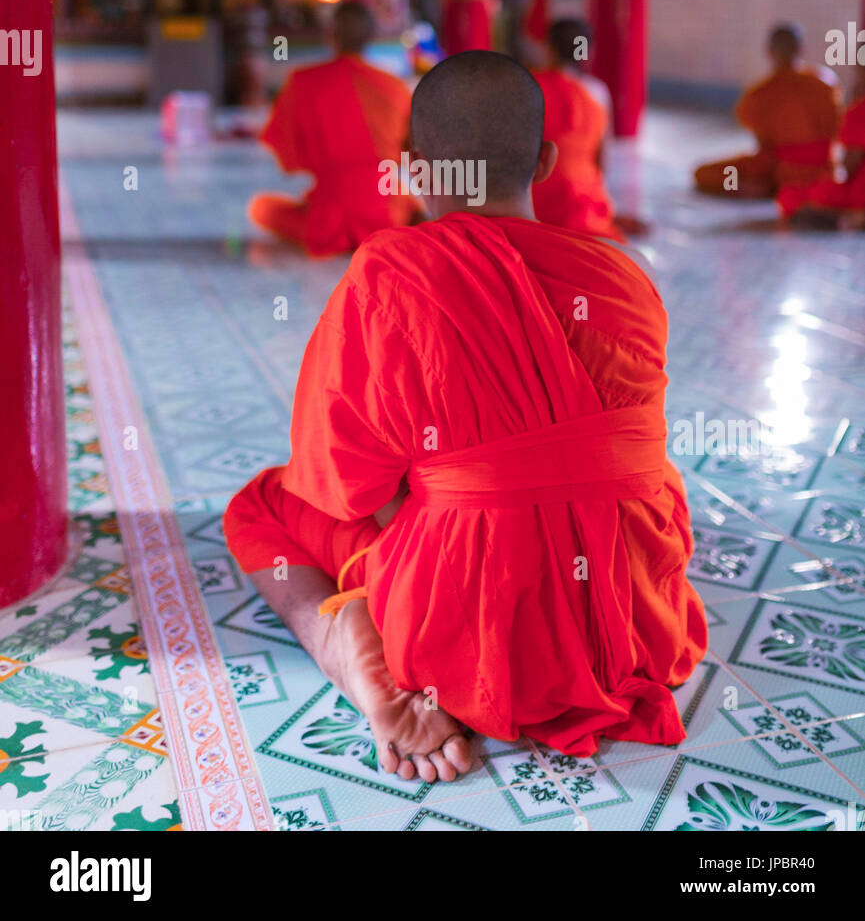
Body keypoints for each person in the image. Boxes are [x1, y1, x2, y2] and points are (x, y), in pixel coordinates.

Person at [225, 51, 707, 784]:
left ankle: (349, 643)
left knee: (264, 502)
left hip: (460, 638)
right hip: (639, 625)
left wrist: (462, 525)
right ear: (544, 161)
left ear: (412, 166)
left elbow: (345, 484)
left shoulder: (388, 274)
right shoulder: (621, 276)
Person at [248, 1, 412, 256]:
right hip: (388, 214)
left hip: (328, 219)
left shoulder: (303, 82)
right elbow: (411, 149)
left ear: (329, 35)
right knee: (406, 200)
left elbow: (287, 156)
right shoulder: (394, 86)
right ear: (372, 36)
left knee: (260, 208)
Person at [693, 23, 841, 198]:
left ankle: (744, 187)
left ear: (769, 51)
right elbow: (838, 130)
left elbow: (763, 143)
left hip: (778, 174)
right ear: (801, 49)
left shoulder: (759, 94)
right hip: (824, 174)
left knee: (703, 173)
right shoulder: (825, 84)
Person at [532, 18, 623, 240]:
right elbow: (603, 162)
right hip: (584, 205)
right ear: (587, 52)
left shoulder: (529, 86)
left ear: (549, 48)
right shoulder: (597, 92)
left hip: (535, 202)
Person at [778, 71, 865, 227]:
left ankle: (853, 218)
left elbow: (851, 165)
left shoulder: (860, 110)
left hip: (859, 196)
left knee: (792, 196)